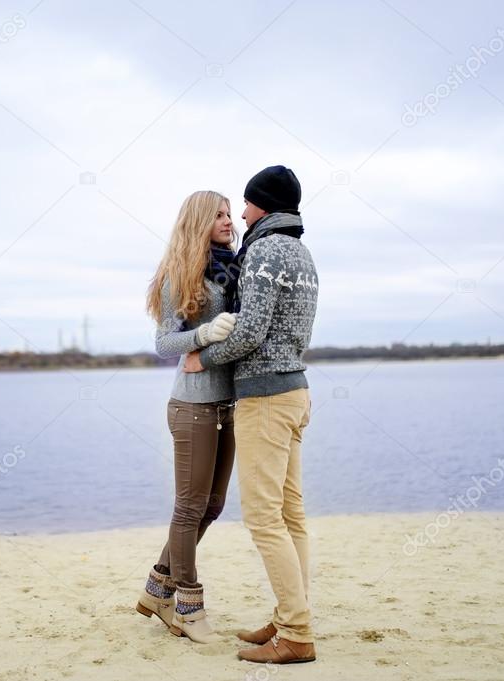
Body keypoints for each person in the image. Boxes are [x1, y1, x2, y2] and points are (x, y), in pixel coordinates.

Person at [183, 165, 319, 664]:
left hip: (264, 399)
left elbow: (251, 330)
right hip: (296, 391)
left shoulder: (262, 251)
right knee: (290, 515)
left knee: (264, 519)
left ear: (262, 204)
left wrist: (203, 356)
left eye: (244, 204)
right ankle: (291, 616)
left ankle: (298, 633)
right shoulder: (302, 252)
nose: (240, 214)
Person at [135, 190, 239, 644]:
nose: (228, 220)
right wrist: (203, 333)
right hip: (192, 406)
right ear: (198, 219)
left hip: (229, 404)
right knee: (190, 507)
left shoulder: (232, 267)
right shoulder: (179, 275)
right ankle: (187, 609)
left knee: (212, 507)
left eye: (230, 213)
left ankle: (157, 588)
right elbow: (164, 343)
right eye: (218, 214)